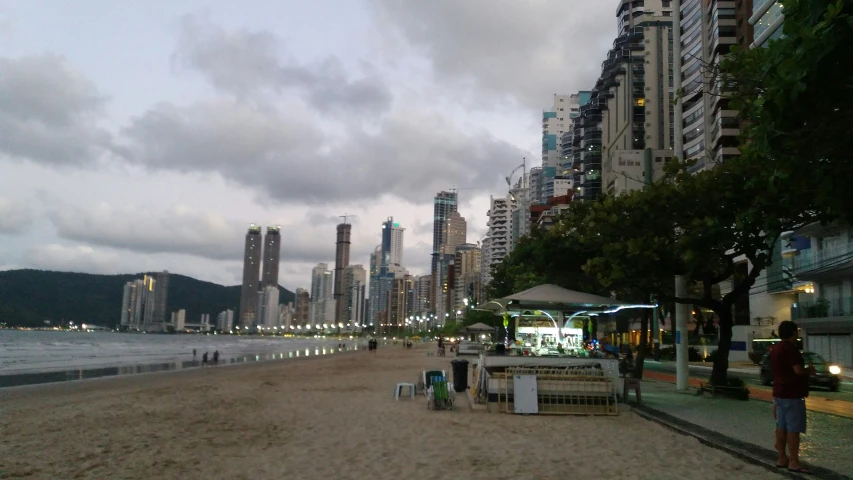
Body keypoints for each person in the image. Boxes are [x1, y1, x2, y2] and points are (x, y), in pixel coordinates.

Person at [770, 320, 815, 473]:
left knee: (780, 427)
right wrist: (809, 371)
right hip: (792, 394)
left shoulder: (775, 349)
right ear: (793, 333)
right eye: (796, 331)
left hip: (778, 392)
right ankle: (794, 461)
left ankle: (782, 458)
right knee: (793, 429)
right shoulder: (791, 349)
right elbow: (797, 370)